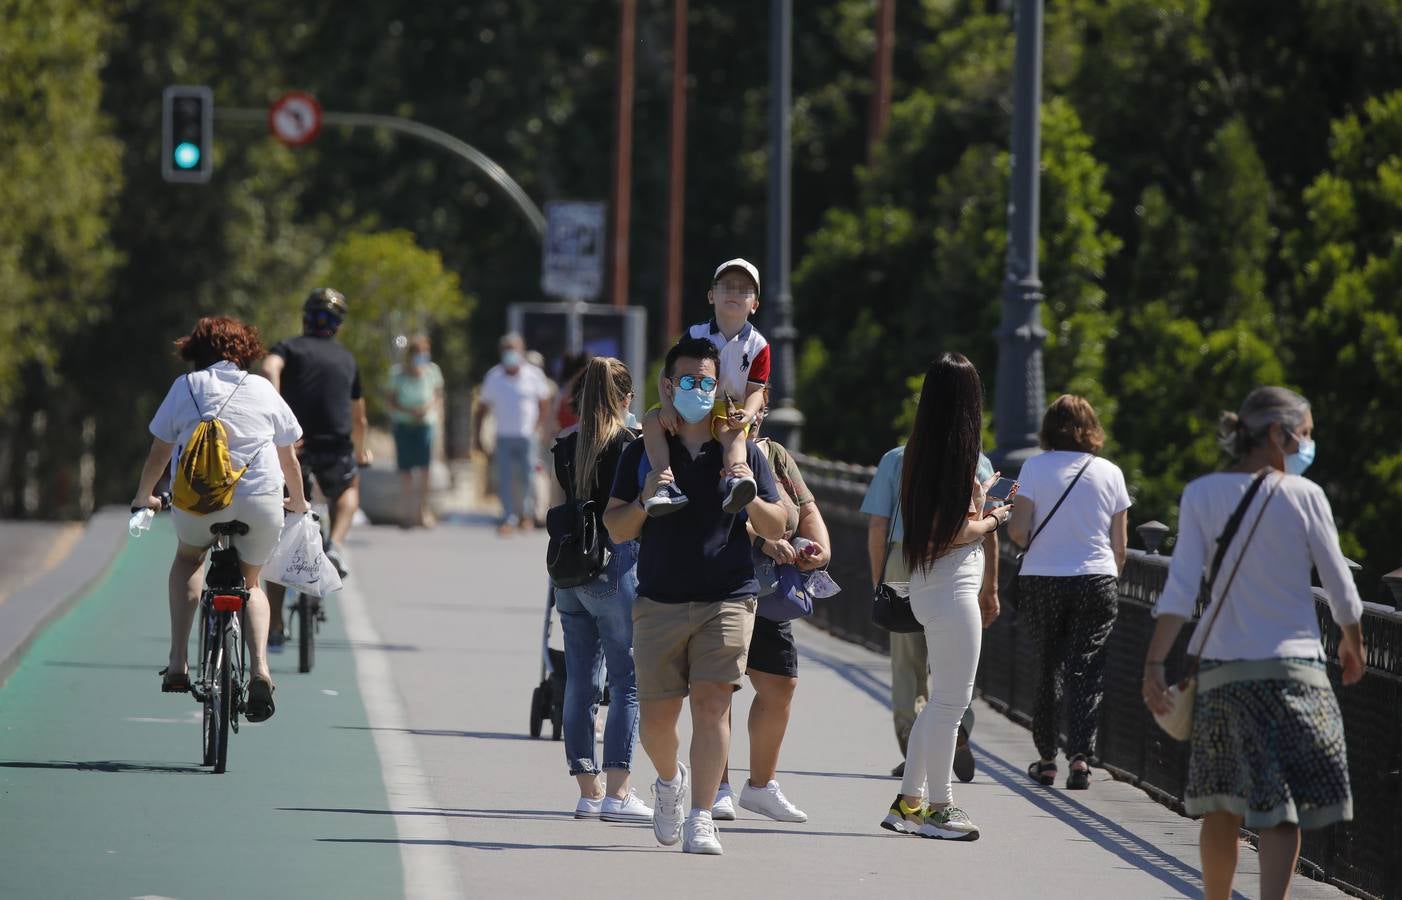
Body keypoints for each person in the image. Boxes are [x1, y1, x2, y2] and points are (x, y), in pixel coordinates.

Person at [1143, 387, 1365, 900]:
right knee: (1280, 809)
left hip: (1225, 675)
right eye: (1305, 434)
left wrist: (1155, 662)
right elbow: (1341, 588)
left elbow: (1180, 589)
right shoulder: (1306, 497)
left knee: (1222, 806)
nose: (1309, 444)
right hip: (1296, 673)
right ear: (1276, 434)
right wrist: (1352, 643)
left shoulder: (1201, 494)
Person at [603, 337, 788, 856]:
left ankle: (702, 816)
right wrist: (644, 498)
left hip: (728, 597)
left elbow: (780, 520)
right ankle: (668, 780)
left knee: (712, 705)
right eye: (688, 381)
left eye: (707, 382)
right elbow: (616, 528)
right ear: (667, 386)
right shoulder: (641, 452)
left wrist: (749, 489)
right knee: (658, 723)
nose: (699, 390)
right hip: (659, 599)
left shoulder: (742, 448)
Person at [131, 316, 310, 724]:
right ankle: (261, 668)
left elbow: (159, 451)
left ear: (197, 350)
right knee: (251, 581)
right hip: (261, 500)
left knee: (189, 560)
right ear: (245, 351)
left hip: (198, 503)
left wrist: (145, 496)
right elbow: (289, 457)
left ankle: (178, 661)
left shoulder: (185, 387)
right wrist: (296, 502)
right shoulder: (263, 389)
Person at [879, 352, 1009, 842]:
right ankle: (940, 808)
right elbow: (956, 532)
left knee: (938, 705)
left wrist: (981, 496)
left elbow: (936, 524)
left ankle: (908, 803)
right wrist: (997, 516)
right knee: (951, 704)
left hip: (928, 583)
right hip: (954, 587)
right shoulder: (957, 452)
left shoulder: (917, 451)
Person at [1006, 395, 1130, 790]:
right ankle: (1080, 759)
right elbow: (1120, 546)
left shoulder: (1034, 467)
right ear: (1092, 428)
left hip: (1042, 578)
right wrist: (1109, 578)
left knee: (1049, 666)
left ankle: (1046, 759)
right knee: (1086, 670)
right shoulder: (1110, 472)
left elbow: (1019, 531)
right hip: (1096, 577)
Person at [549, 357, 652, 824]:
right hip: (613, 565)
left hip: (568, 571)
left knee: (579, 680)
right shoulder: (629, 444)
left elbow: (556, 510)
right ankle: (619, 790)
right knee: (627, 681)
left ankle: (587, 789)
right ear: (626, 399)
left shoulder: (565, 444)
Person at [711, 426, 827, 824]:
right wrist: (762, 542)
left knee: (780, 683)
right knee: (720, 684)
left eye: (759, 409)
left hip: (771, 590)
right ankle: (717, 787)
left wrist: (819, 547)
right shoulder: (709, 449)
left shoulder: (775, 454)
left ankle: (761, 787)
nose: (752, 417)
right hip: (723, 584)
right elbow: (713, 516)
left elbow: (806, 506)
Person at [862, 443, 997, 781]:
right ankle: (957, 728)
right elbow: (988, 529)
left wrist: (880, 581)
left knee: (908, 661)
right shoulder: (975, 460)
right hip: (961, 560)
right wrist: (991, 586)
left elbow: (878, 525)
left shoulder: (896, 459)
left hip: (904, 558)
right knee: (956, 654)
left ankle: (914, 745)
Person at [262, 288, 369, 646]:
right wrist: (363, 450)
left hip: (294, 448)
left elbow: (268, 367)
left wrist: (276, 408)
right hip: (335, 447)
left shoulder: (288, 347)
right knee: (348, 490)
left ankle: (275, 627)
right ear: (338, 325)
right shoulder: (347, 359)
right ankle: (335, 543)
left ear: (306, 317)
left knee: (280, 537)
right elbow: (360, 418)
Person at [640, 259, 770, 517]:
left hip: (728, 406)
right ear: (711, 296)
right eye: (727, 286)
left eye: (744, 289)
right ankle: (665, 484)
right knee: (651, 420)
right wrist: (666, 406)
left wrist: (749, 413)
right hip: (690, 398)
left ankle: (736, 480)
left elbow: (756, 389)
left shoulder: (759, 345)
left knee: (730, 432)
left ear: (754, 304)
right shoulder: (696, 333)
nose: (734, 293)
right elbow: (667, 372)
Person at [474, 333, 552, 536]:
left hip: (528, 435)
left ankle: (526, 515)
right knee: (506, 478)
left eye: (514, 349)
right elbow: (482, 407)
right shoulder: (494, 376)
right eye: (507, 349)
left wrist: (539, 427)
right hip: (503, 435)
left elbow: (544, 402)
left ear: (521, 351)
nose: (510, 354)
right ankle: (509, 516)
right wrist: (477, 436)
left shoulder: (533, 375)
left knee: (528, 476)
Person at [387, 335, 445, 528]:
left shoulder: (432, 371)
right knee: (406, 471)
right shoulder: (397, 374)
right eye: (418, 353)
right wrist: (408, 411)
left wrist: (427, 409)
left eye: (424, 353)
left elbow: (437, 396)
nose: (422, 357)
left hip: (425, 425)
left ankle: (423, 511)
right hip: (404, 424)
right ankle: (407, 512)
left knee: (425, 469)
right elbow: (391, 400)